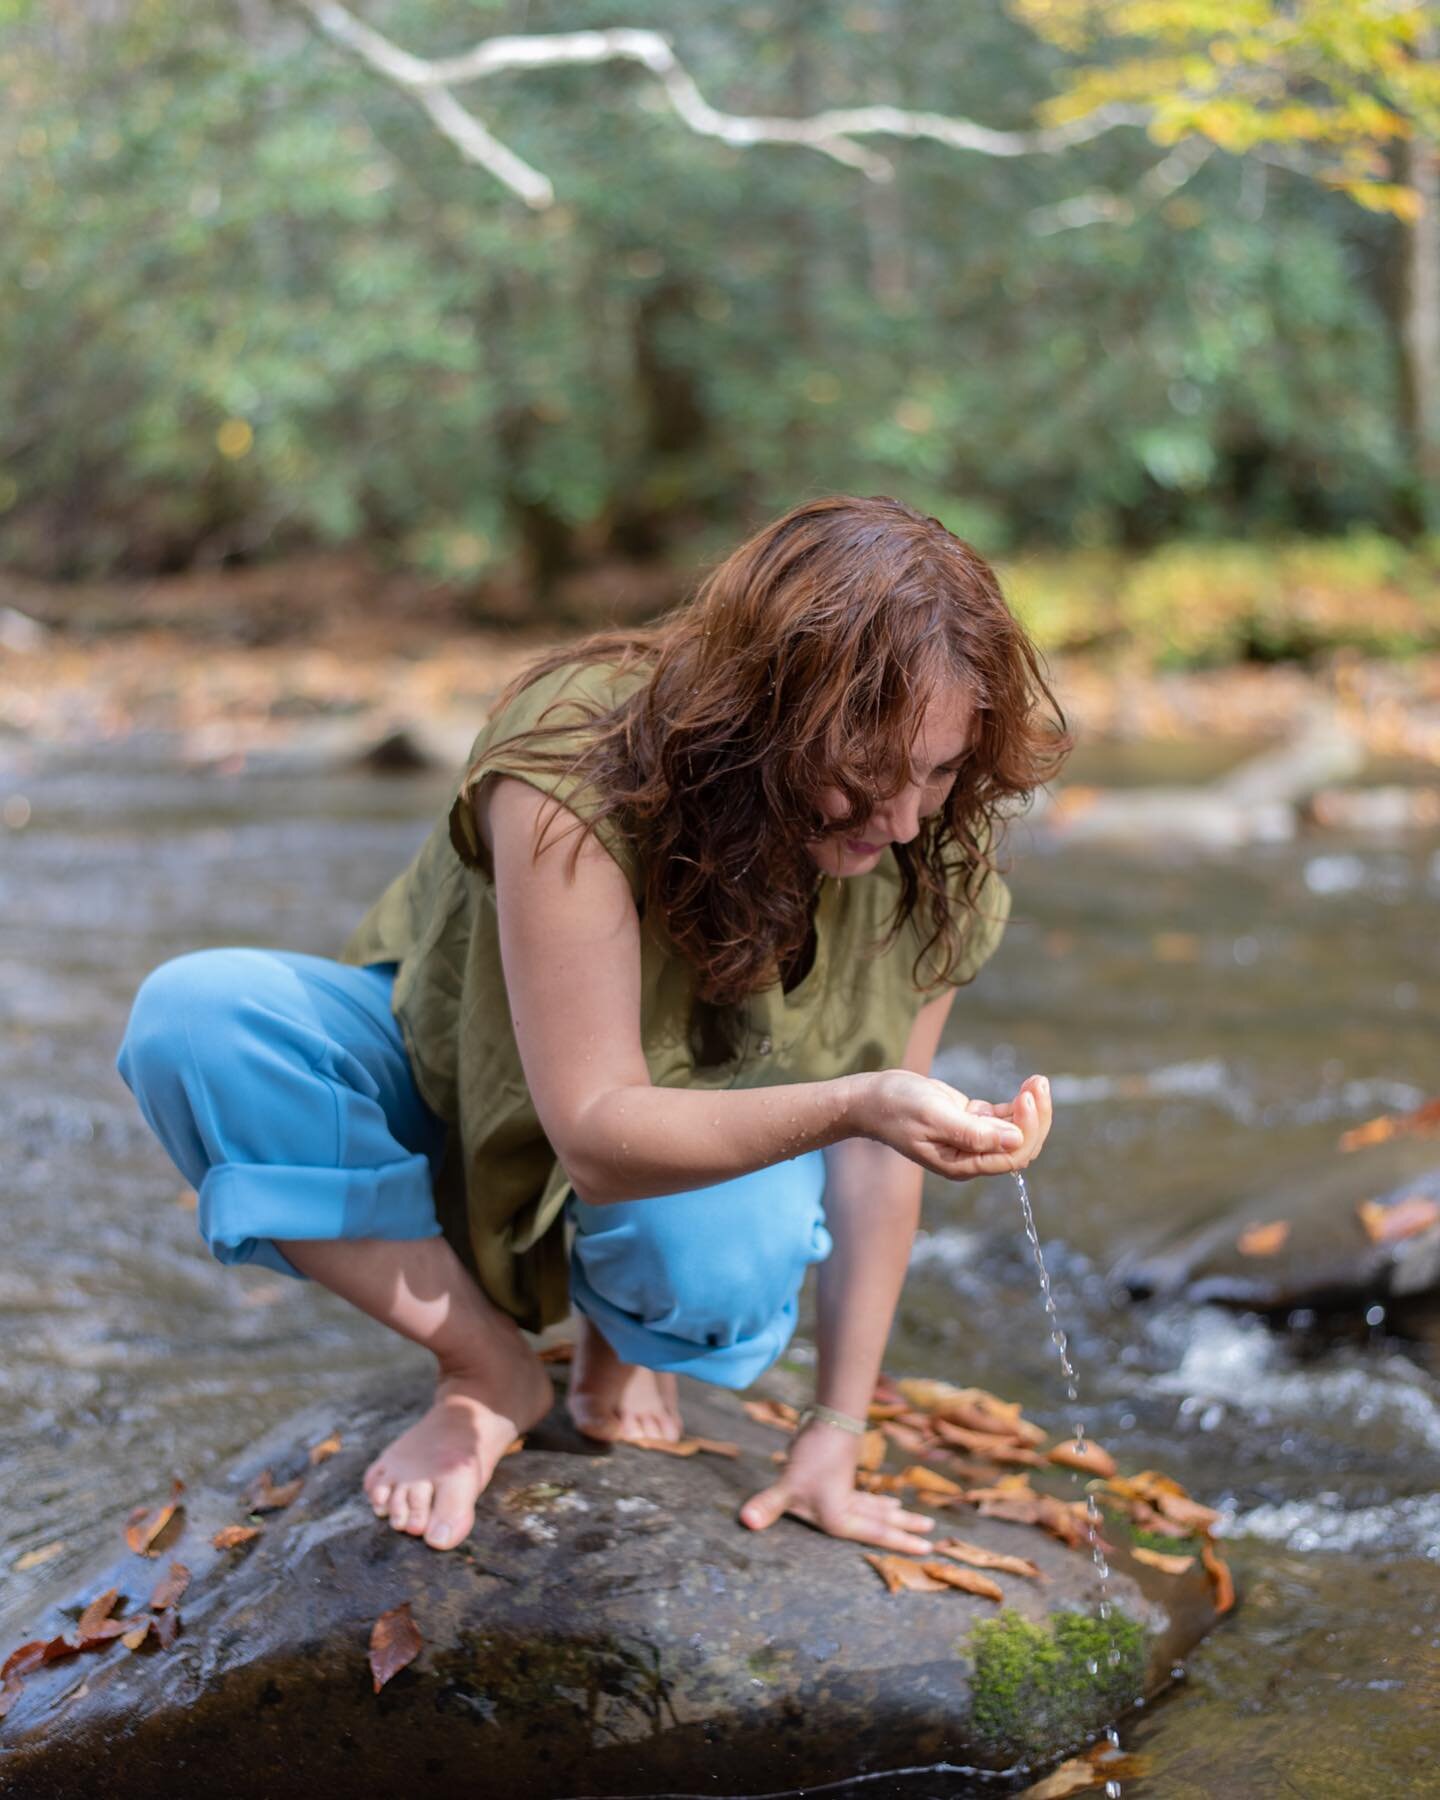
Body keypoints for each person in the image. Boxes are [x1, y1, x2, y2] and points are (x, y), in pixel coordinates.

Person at [117, 494, 1066, 1562]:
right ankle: (487, 1370)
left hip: (686, 1159)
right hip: (467, 1094)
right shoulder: (576, 755)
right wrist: (860, 1103)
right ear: (762, 719)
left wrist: (835, 1432)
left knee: (724, 1254)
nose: (899, 822)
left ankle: (628, 1331)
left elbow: (877, 1173)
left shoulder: (927, 868)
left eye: (938, 774)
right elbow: (596, 1133)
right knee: (194, 1024)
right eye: (860, 778)